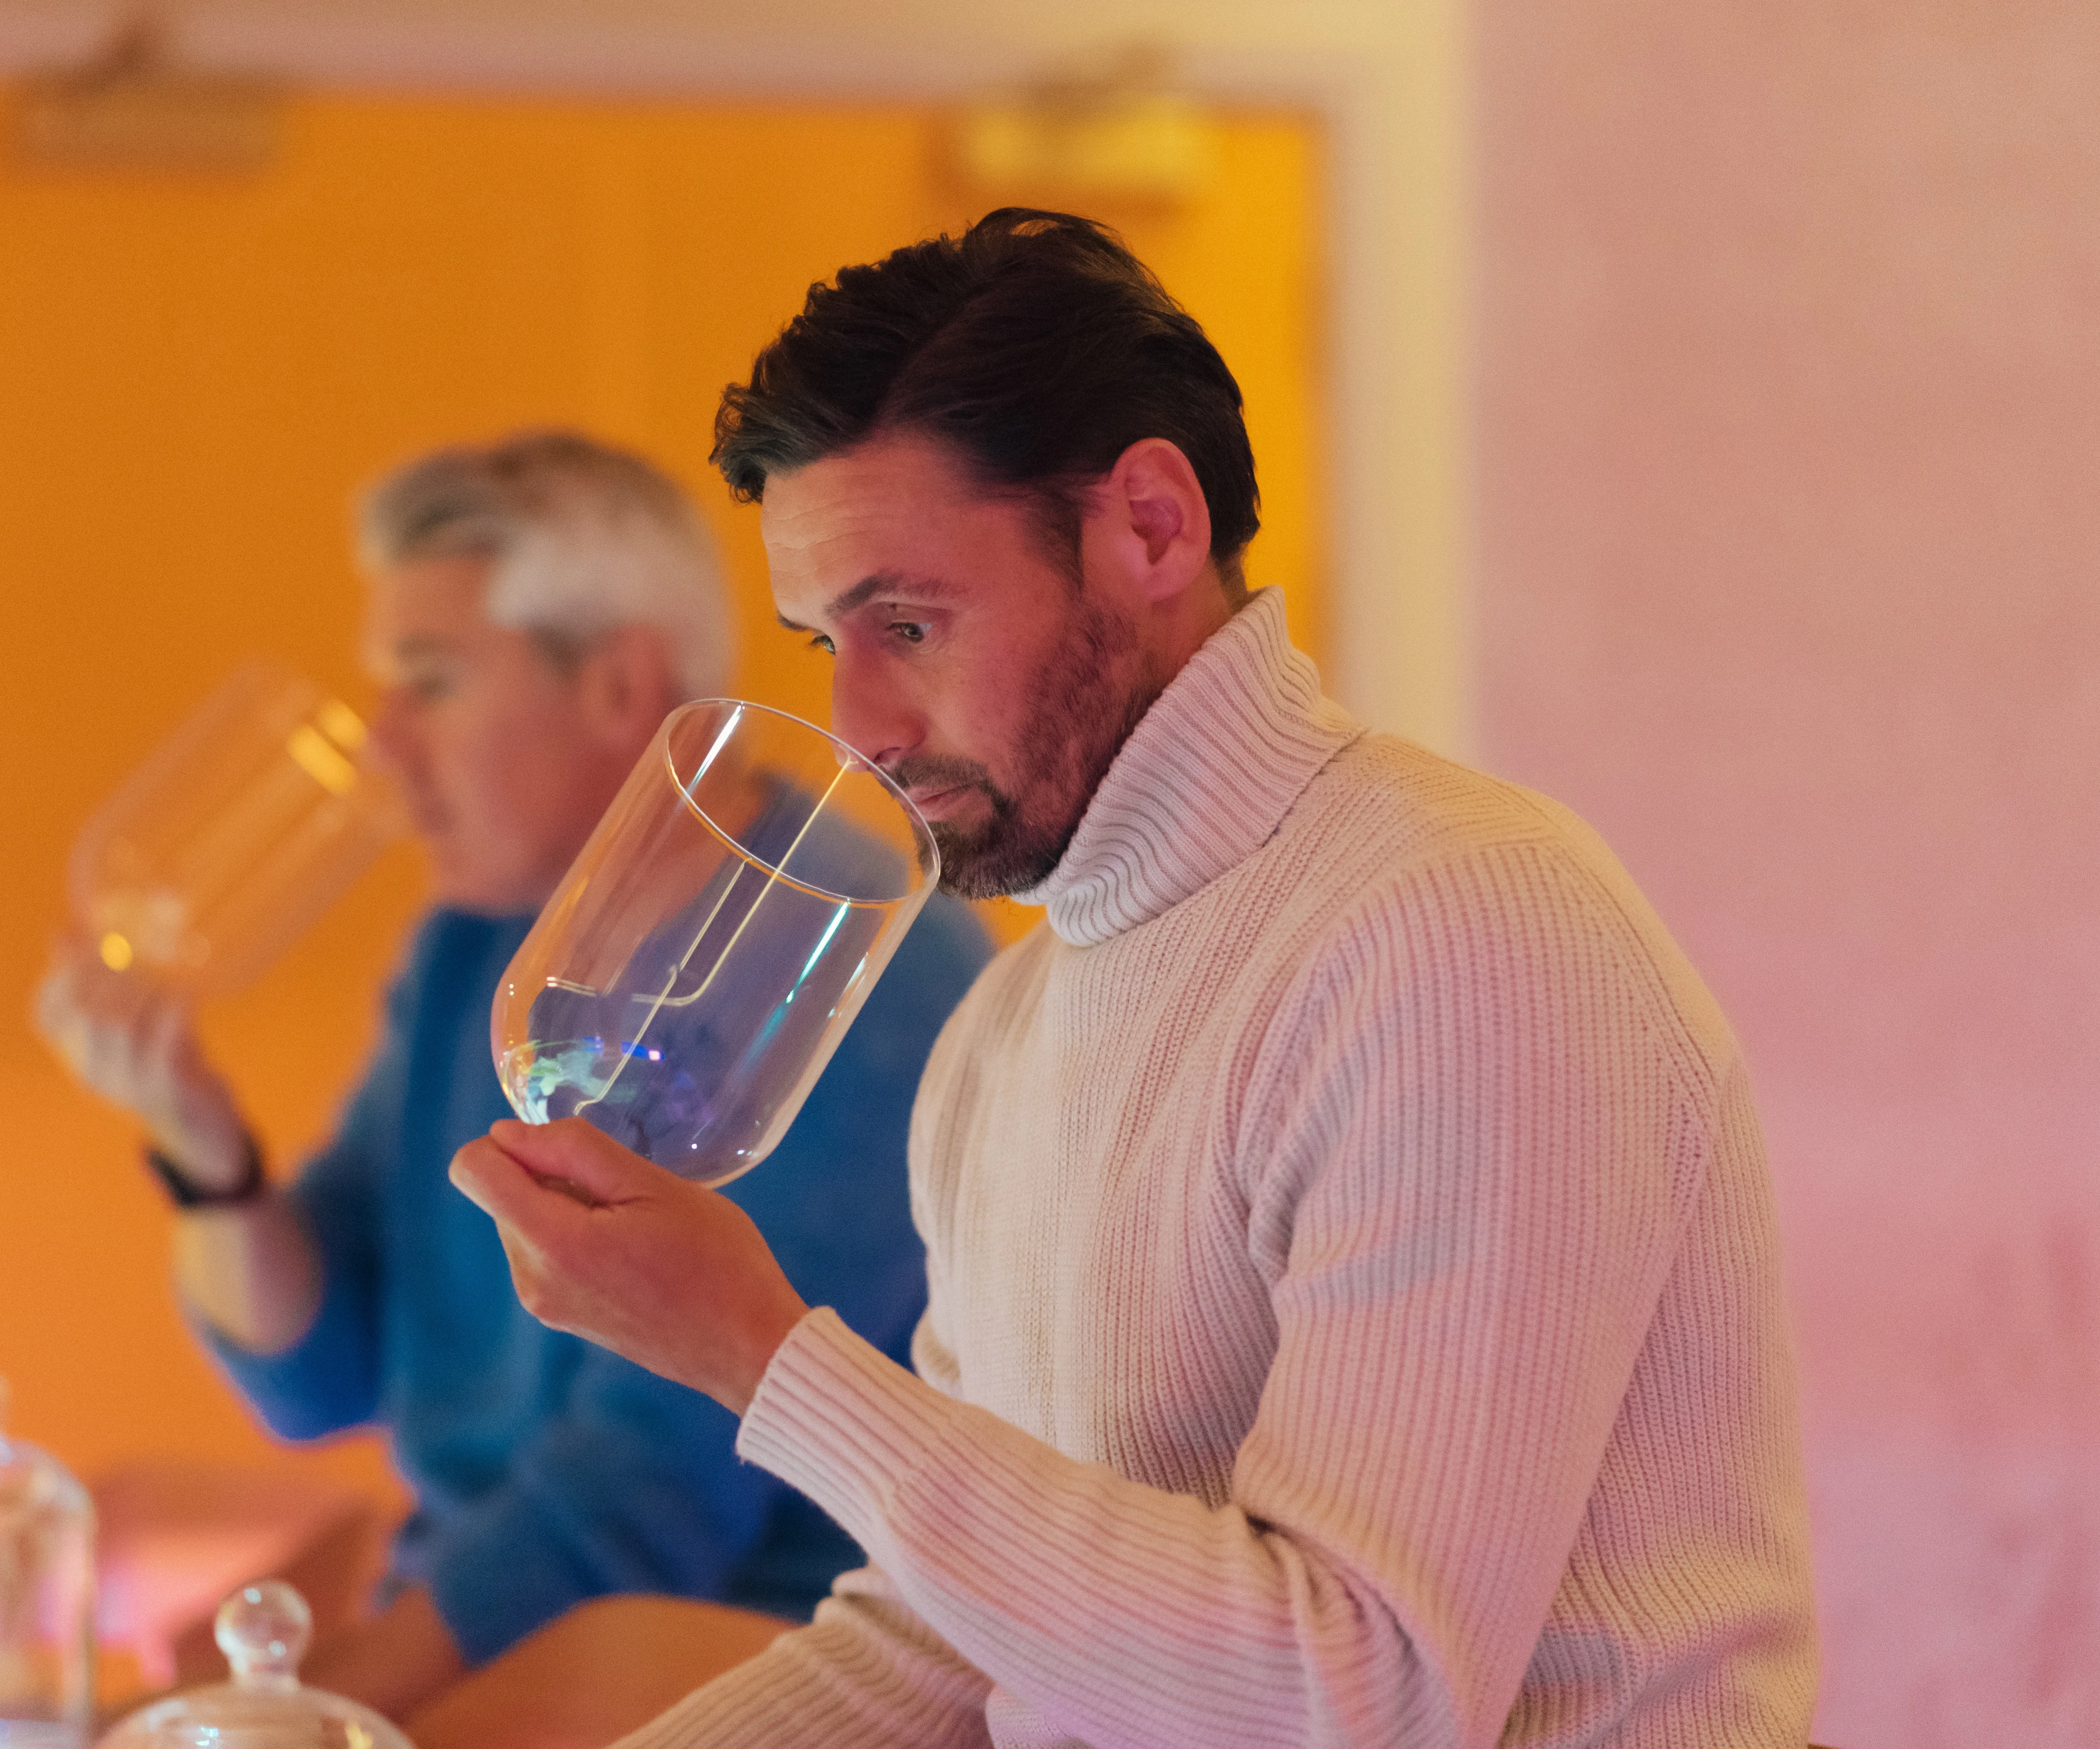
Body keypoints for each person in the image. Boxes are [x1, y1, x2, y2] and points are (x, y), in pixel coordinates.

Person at [447, 214, 1821, 1747]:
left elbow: (1363, 1698)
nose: (861, 725)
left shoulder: (1460, 931)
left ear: (1154, 527)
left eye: (908, 623)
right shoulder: (1002, 1032)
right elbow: (938, 1640)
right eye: (825, 643)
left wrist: (761, 1357)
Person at [36, 431, 994, 1746]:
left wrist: (293, 1717)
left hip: (731, 1677)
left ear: (619, 686)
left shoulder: (854, 966)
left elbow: (640, 1509)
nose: (384, 748)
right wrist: (203, 1149)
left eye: (430, 684)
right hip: (495, 1658)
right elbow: (318, 1374)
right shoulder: (479, 944)